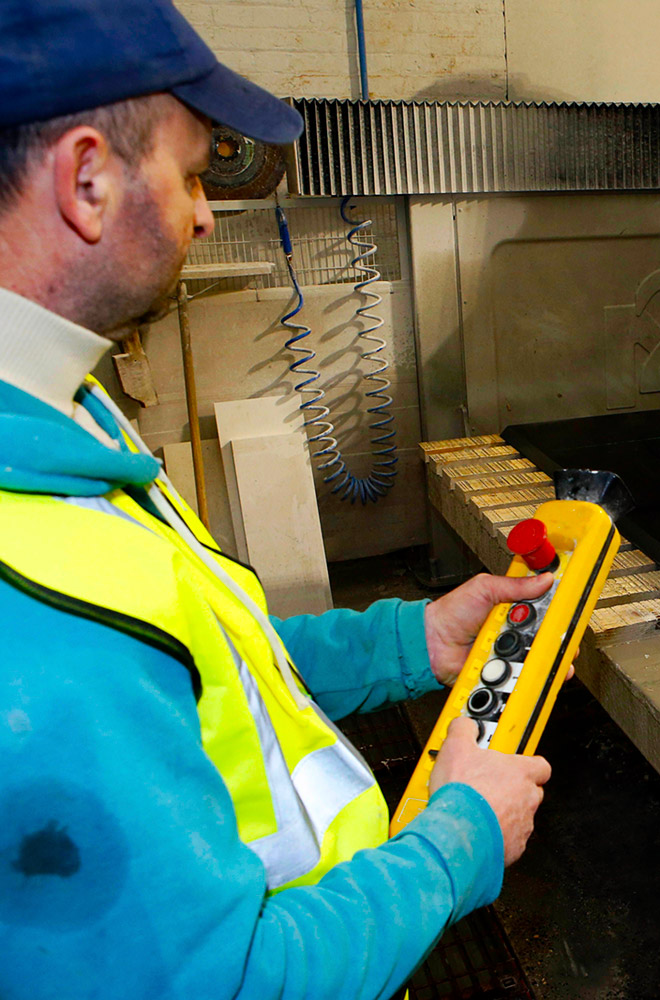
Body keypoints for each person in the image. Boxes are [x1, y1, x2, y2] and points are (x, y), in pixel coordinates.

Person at [0, 2, 556, 996]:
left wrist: (411, 641)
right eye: (191, 172)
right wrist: (456, 838)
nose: (206, 213)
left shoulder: (64, 413)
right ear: (87, 180)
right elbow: (232, 980)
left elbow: (206, 678)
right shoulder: (27, 607)